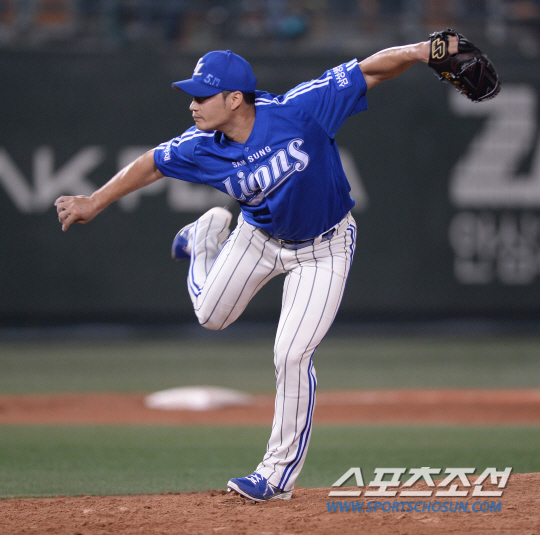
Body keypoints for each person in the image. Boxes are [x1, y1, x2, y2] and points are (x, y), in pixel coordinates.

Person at [55, 37, 457, 502]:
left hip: (324, 248)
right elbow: (151, 164)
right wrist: (94, 201)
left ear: (234, 99)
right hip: (258, 237)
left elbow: (370, 70)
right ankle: (204, 240)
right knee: (211, 316)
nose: (192, 105)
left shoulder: (299, 110)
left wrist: (428, 49)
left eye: (202, 95)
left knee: (291, 354)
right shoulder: (201, 145)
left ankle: (275, 476)